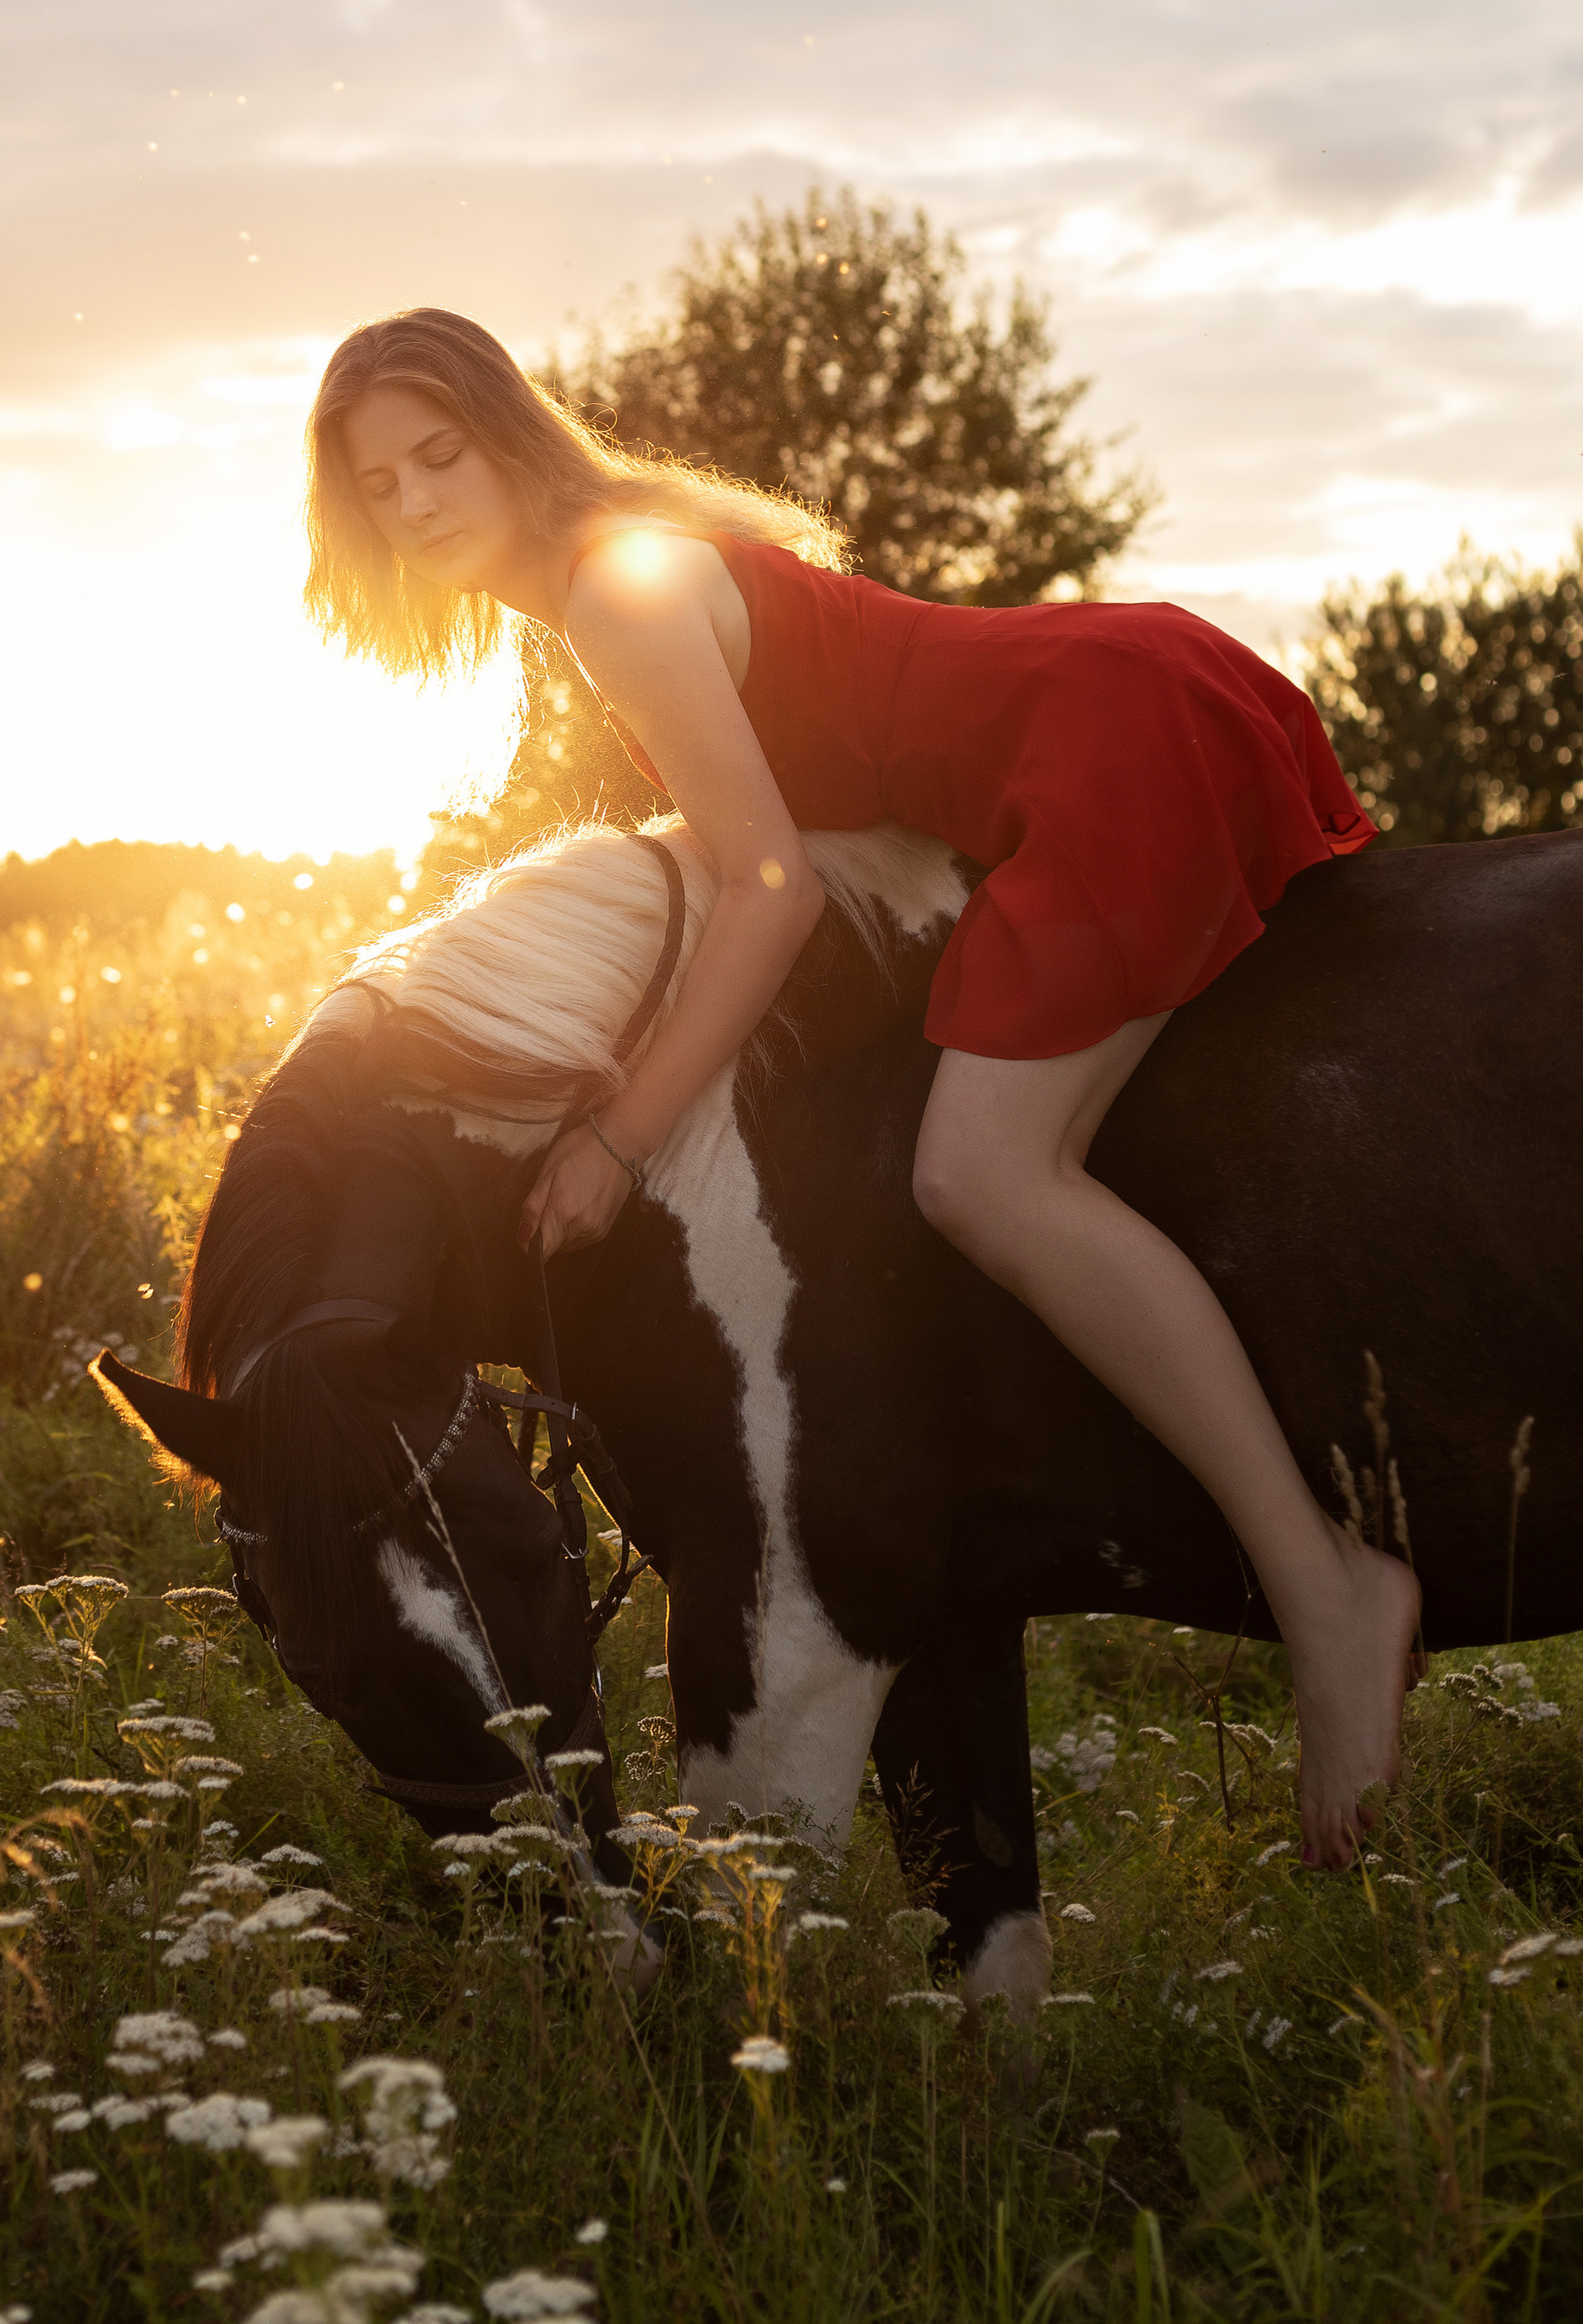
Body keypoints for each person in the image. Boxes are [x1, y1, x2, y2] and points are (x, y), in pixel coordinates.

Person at [303, 305, 1420, 1869]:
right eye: (378, 485)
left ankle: (1326, 1585)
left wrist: (620, 1136)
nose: (416, 502)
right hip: (1102, 703)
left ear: (509, 438)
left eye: (440, 455)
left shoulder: (613, 591)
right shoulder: (615, 573)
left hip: (1100, 740)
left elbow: (769, 889)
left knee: (984, 1176)